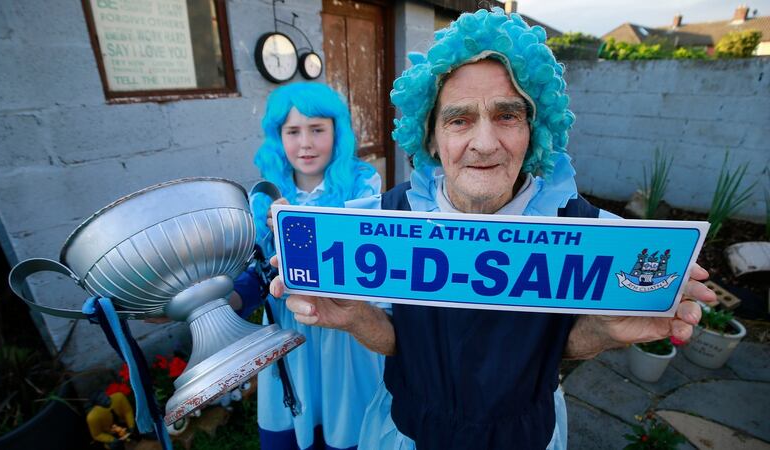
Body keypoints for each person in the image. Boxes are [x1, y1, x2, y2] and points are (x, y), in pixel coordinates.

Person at [268, 8, 717, 450]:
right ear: (431, 138)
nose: (484, 144)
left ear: (533, 131)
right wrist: (355, 316)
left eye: (507, 116)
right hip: (407, 431)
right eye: (459, 119)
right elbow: (399, 342)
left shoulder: (593, 235)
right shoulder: (386, 220)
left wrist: (602, 330)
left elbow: (557, 349)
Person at [231, 82, 384, 450]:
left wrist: (295, 228)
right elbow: (258, 274)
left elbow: (362, 262)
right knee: (292, 419)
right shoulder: (263, 195)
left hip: (345, 333)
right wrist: (223, 300)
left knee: (347, 421)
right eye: (293, 131)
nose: (306, 144)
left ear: (337, 131)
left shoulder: (364, 186)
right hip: (289, 332)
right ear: (277, 136)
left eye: (317, 129)